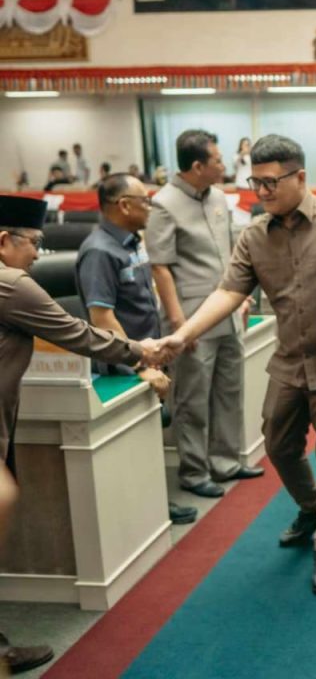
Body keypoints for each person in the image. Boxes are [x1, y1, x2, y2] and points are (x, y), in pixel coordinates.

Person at [158, 134, 316, 596]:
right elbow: (229, 292)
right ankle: (311, 506)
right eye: (255, 183)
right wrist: (183, 334)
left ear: (299, 177)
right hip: (289, 362)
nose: (261, 192)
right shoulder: (254, 236)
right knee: (279, 445)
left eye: (270, 182)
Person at [0, 196, 167, 676]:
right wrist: (140, 352)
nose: (38, 254)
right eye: (34, 243)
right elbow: (78, 333)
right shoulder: (11, 283)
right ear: (4, 241)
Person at [74, 173, 198, 526]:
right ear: (124, 205)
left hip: (146, 356)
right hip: (123, 366)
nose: (151, 207)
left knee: (149, 435)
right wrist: (139, 365)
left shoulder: (131, 243)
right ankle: (148, 511)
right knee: (134, 442)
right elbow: (102, 317)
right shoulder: (99, 251)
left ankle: (154, 503)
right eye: (145, 201)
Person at [147, 129, 263, 501]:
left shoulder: (218, 197)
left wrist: (241, 297)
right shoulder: (163, 204)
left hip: (227, 312)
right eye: (217, 160)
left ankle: (225, 462)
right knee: (192, 398)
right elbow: (160, 267)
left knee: (229, 390)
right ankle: (194, 471)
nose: (223, 165)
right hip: (192, 317)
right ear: (197, 166)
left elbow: (230, 251)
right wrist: (180, 325)